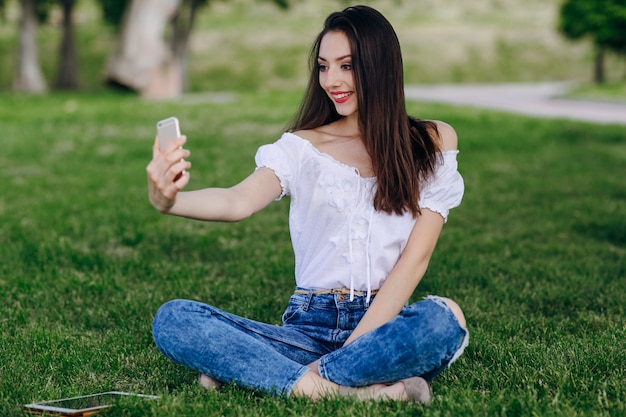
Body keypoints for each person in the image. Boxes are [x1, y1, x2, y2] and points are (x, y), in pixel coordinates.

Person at [147, 5, 468, 404]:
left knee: (444, 319)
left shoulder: (431, 141)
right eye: (323, 66)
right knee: (175, 319)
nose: (331, 80)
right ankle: (352, 393)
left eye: (347, 66)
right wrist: (168, 201)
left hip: (382, 322)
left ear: (380, 66)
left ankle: (276, 377)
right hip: (306, 329)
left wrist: (355, 345)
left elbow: (414, 261)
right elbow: (237, 201)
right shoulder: (302, 147)